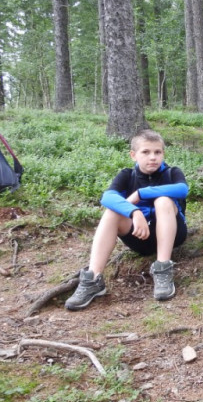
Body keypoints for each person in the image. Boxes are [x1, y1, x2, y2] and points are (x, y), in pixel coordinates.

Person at [65, 129, 188, 311]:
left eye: (157, 152)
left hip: (173, 234)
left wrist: (141, 193)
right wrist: (134, 212)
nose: (152, 157)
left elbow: (182, 190)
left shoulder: (172, 173)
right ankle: (93, 280)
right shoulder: (127, 175)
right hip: (140, 237)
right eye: (145, 152)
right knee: (111, 212)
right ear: (133, 155)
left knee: (163, 201)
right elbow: (107, 197)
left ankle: (163, 269)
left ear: (163, 154)